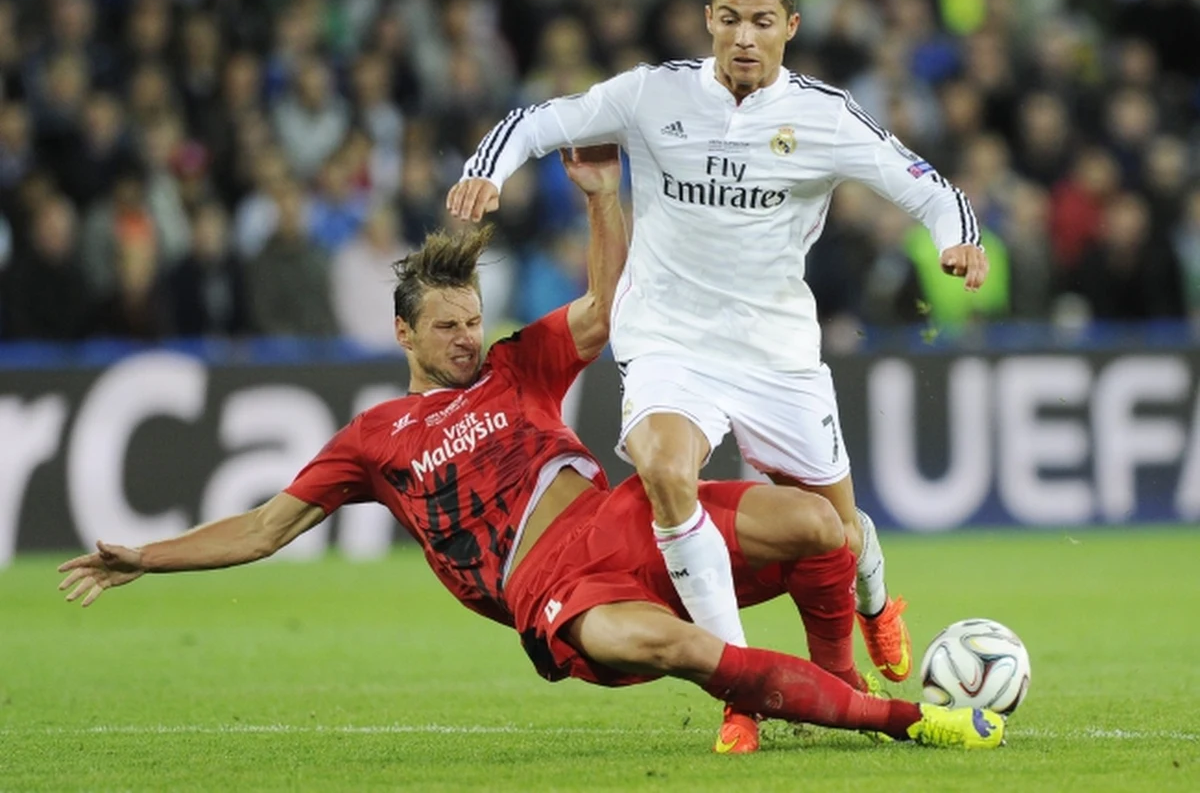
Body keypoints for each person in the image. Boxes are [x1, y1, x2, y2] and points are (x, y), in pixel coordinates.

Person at [57, 146, 1005, 754]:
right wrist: (148, 555)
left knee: (817, 524)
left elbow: (605, 309)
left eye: (473, 320)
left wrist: (602, 200)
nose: (468, 338)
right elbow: (265, 528)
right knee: (677, 645)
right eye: (448, 327)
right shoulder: (374, 441)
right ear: (406, 335)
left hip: (620, 517)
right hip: (552, 588)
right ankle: (911, 723)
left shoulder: (518, 365)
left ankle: (833, 679)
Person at [446, 0, 991, 748]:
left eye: (762, 22)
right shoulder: (651, 94)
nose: (744, 37)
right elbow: (540, 118)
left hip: (777, 353)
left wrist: (957, 241)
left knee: (835, 536)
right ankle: (739, 684)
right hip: (671, 341)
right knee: (667, 470)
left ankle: (874, 605)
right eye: (730, 18)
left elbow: (927, 186)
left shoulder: (825, 115)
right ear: (709, 20)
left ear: (790, 29)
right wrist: (486, 172)